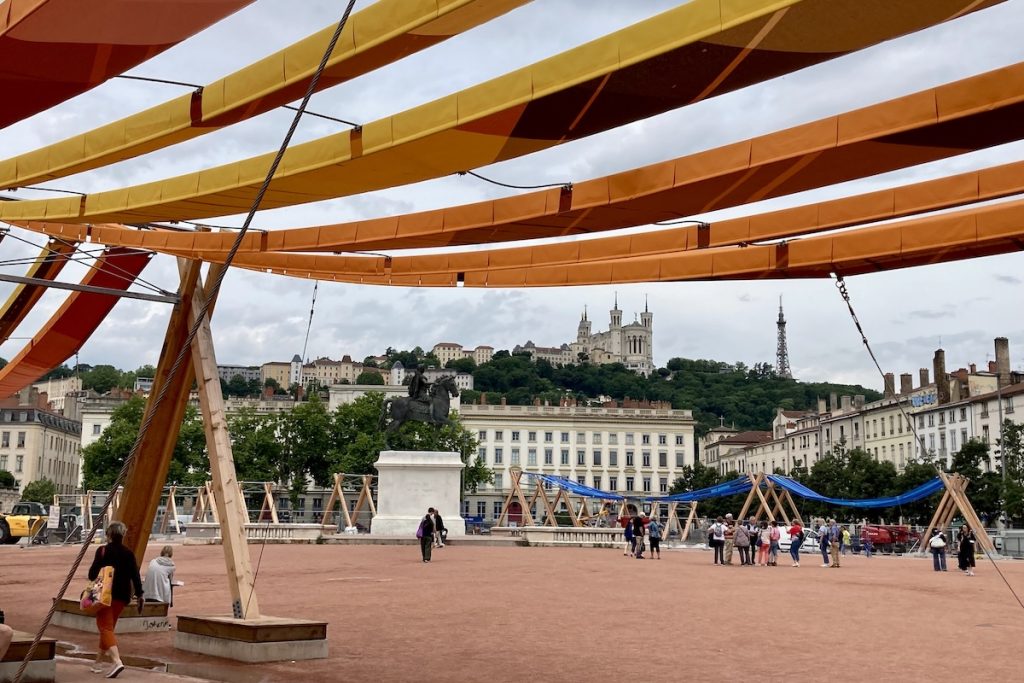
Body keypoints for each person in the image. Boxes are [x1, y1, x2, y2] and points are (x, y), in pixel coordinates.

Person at [87, 521, 143, 679]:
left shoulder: (103, 551)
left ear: (109, 535)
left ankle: (117, 661)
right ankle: (97, 662)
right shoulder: (128, 553)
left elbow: (92, 574)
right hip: (123, 595)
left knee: (105, 628)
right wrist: (140, 594)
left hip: (106, 594)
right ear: (123, 535)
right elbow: (135, 576)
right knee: (109, 628)